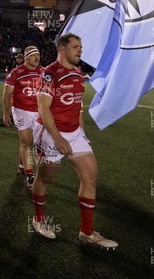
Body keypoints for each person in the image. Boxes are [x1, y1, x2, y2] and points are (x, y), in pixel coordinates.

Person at [31, 33, 117, 249]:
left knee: (90, 175)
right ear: (62, 49)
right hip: (50, 133)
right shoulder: (50, 74)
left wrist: (82, 133)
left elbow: (77, 106)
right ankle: (38, 220)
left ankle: (86, 232)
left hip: (74, 133)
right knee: (45, 177)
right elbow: (43, 108)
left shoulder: (78, 73)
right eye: (75, 47)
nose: (80, 50)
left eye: (81, 46)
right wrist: (58, 138)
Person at [2, 46, 43, 188]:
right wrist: (6, 113)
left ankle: (22, 164)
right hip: (21, 110)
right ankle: (30, 175)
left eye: (38, 55)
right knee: (27, 141)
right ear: (26, 58)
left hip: (38, 111)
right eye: (33, 55)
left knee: (35, 142)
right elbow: (7, 94)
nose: (37, 58)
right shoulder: (16, 73)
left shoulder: (43, 72)